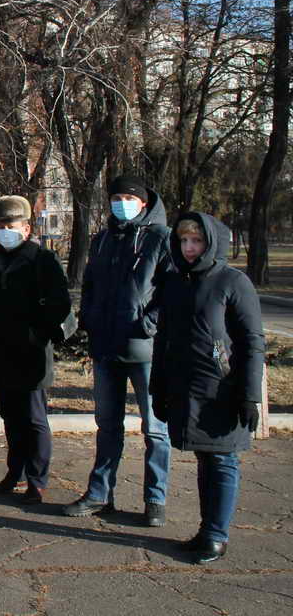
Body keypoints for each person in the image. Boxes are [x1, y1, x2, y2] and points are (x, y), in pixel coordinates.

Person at [150, 213, 265, 564]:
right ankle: (206, 530)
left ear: (211, 243)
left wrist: (249, 394)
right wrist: (159, 387)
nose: (189, 248)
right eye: (184, 241)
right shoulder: (174, 282)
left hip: (223, 389)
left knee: (222, 459)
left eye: (196, 241)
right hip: (186, 387)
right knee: (204, 458)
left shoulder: (232, 282)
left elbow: (252, 341)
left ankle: (217, 535)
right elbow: (164, 338)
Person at [64, 175, 172, 526]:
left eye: (128, 197)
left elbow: (170, 291)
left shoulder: (159, 238)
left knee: (155, 428)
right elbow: (91, 285)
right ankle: (99, 494)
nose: (121, 203)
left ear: (143, 202)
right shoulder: (103, 239)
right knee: (107, 425)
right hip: (105, 347)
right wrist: (88, 321)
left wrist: (148, 324)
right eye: (116, 197)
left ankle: (155, 499)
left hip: (144, 349)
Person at [0, 195, 71, 505]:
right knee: (10, 417)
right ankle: (14, 472)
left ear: (26, 228)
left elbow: (59, 305)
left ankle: (37, 480)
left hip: (31, 353)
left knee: (33, 418)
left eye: (10, 226)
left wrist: (37, 334)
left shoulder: (43, 260)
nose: (4, 231)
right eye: (0, 226)